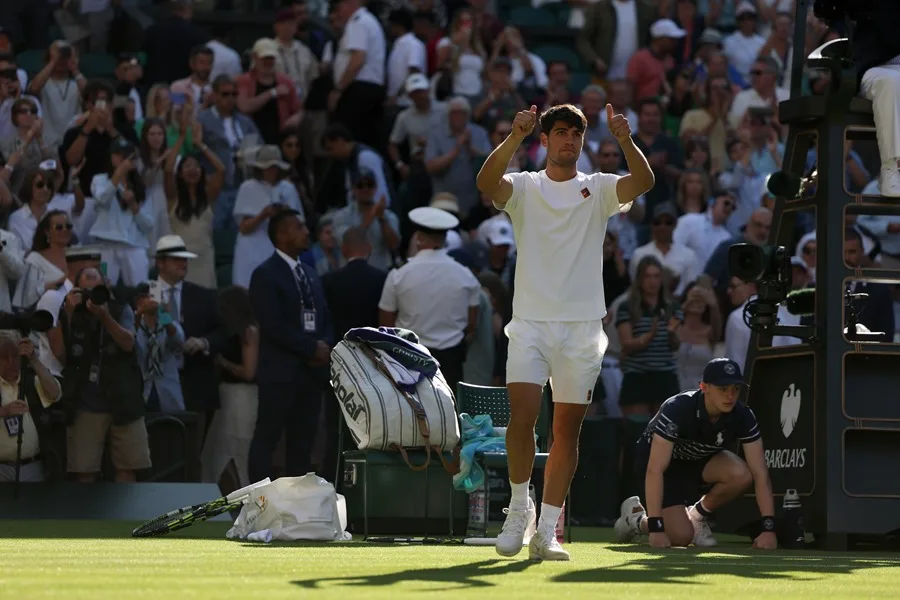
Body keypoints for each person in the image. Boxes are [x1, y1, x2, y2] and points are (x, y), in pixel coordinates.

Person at [475, 101, 654, 560]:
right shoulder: (525, 186)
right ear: (545, 139)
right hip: (531, 323)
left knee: (566, 430)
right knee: (522, 418)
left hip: (581, 329)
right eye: (559, 132)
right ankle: (519, 510)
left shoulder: (599, 187)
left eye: (575, 134)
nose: (568, 140)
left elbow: (645, 182)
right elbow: (485, 184)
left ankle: (548, 531)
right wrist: (513, 136)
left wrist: (625, 140)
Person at [613, 358, 778, 550]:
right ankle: (636, 520)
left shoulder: (743, 415)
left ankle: (696, 517)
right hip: (661, 467)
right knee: (682, 537)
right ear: (704, 387)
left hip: (698, 461)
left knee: (741, 474)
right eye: (722, 389)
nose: (730, 396)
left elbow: (760, 473)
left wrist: (769, 529)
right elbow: (655, 469)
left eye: (735, 389)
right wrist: (656, 529)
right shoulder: (678, 408)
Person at [247, 209, 334, 482]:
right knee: (267, 440)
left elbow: (324, 315)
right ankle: (258, 504)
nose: (307, 232)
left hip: (311, 376)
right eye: (299, 227)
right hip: (280, 373)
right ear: (282, 234)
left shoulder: (309, 272)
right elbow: (272, 325)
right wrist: (311, 349)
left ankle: (298, 510)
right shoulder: (265, 273)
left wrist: (325, 345)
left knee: (303, 447)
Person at [378, 207, 481, 396]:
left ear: (418, 238)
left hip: (410, 359)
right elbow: (472, 323)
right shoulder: (465, 275)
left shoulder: (399, 274)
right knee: (449, 416)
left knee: (412, 417)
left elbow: (386, 325)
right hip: (451, 360)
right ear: (444, 240)